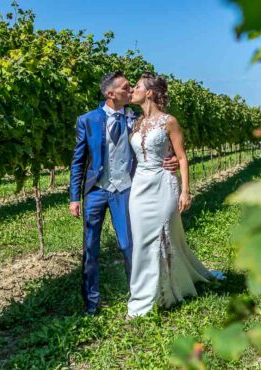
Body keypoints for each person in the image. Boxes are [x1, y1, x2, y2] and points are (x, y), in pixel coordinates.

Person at [69, 71, 179, 315]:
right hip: (96, 192)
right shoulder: (87, 120)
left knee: (129, 244)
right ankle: (91, 303)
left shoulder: (135, 119)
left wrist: (170, 159)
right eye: (126, 88)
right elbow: (78, 161)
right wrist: (75, 197)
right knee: (90, 248)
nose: (131, 91)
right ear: (111, 94)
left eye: (132, 87)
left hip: (127, 190)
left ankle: (138, 296)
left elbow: (160, 138)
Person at [127, 72, 224, 318]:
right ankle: (142, 295)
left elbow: (181, 157)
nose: (133, 90)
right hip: (139, 188)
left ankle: (169, 289)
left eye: (137, 87)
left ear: (149, 92)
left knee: (165, 236)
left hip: (163, 184)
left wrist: (185, 191)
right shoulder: (136, 123)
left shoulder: (169, 121)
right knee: (141, 241)